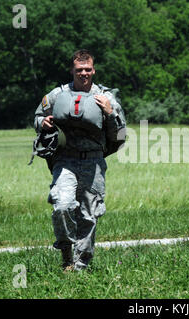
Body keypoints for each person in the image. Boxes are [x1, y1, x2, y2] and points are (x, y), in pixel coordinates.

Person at [34, 49, 126, 271]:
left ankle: (80, 265)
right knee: (62, 205)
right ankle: (67, 252)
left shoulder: (106, 98)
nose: (83, 73)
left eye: (87, 69)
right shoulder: (57, 95)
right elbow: (37, 118)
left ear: (93, 70)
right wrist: (43, 123)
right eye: (79, 70)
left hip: (93, 162)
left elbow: (121, 135)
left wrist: (109, 113)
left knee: (88, 215)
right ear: (72, 70)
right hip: (65, 160)